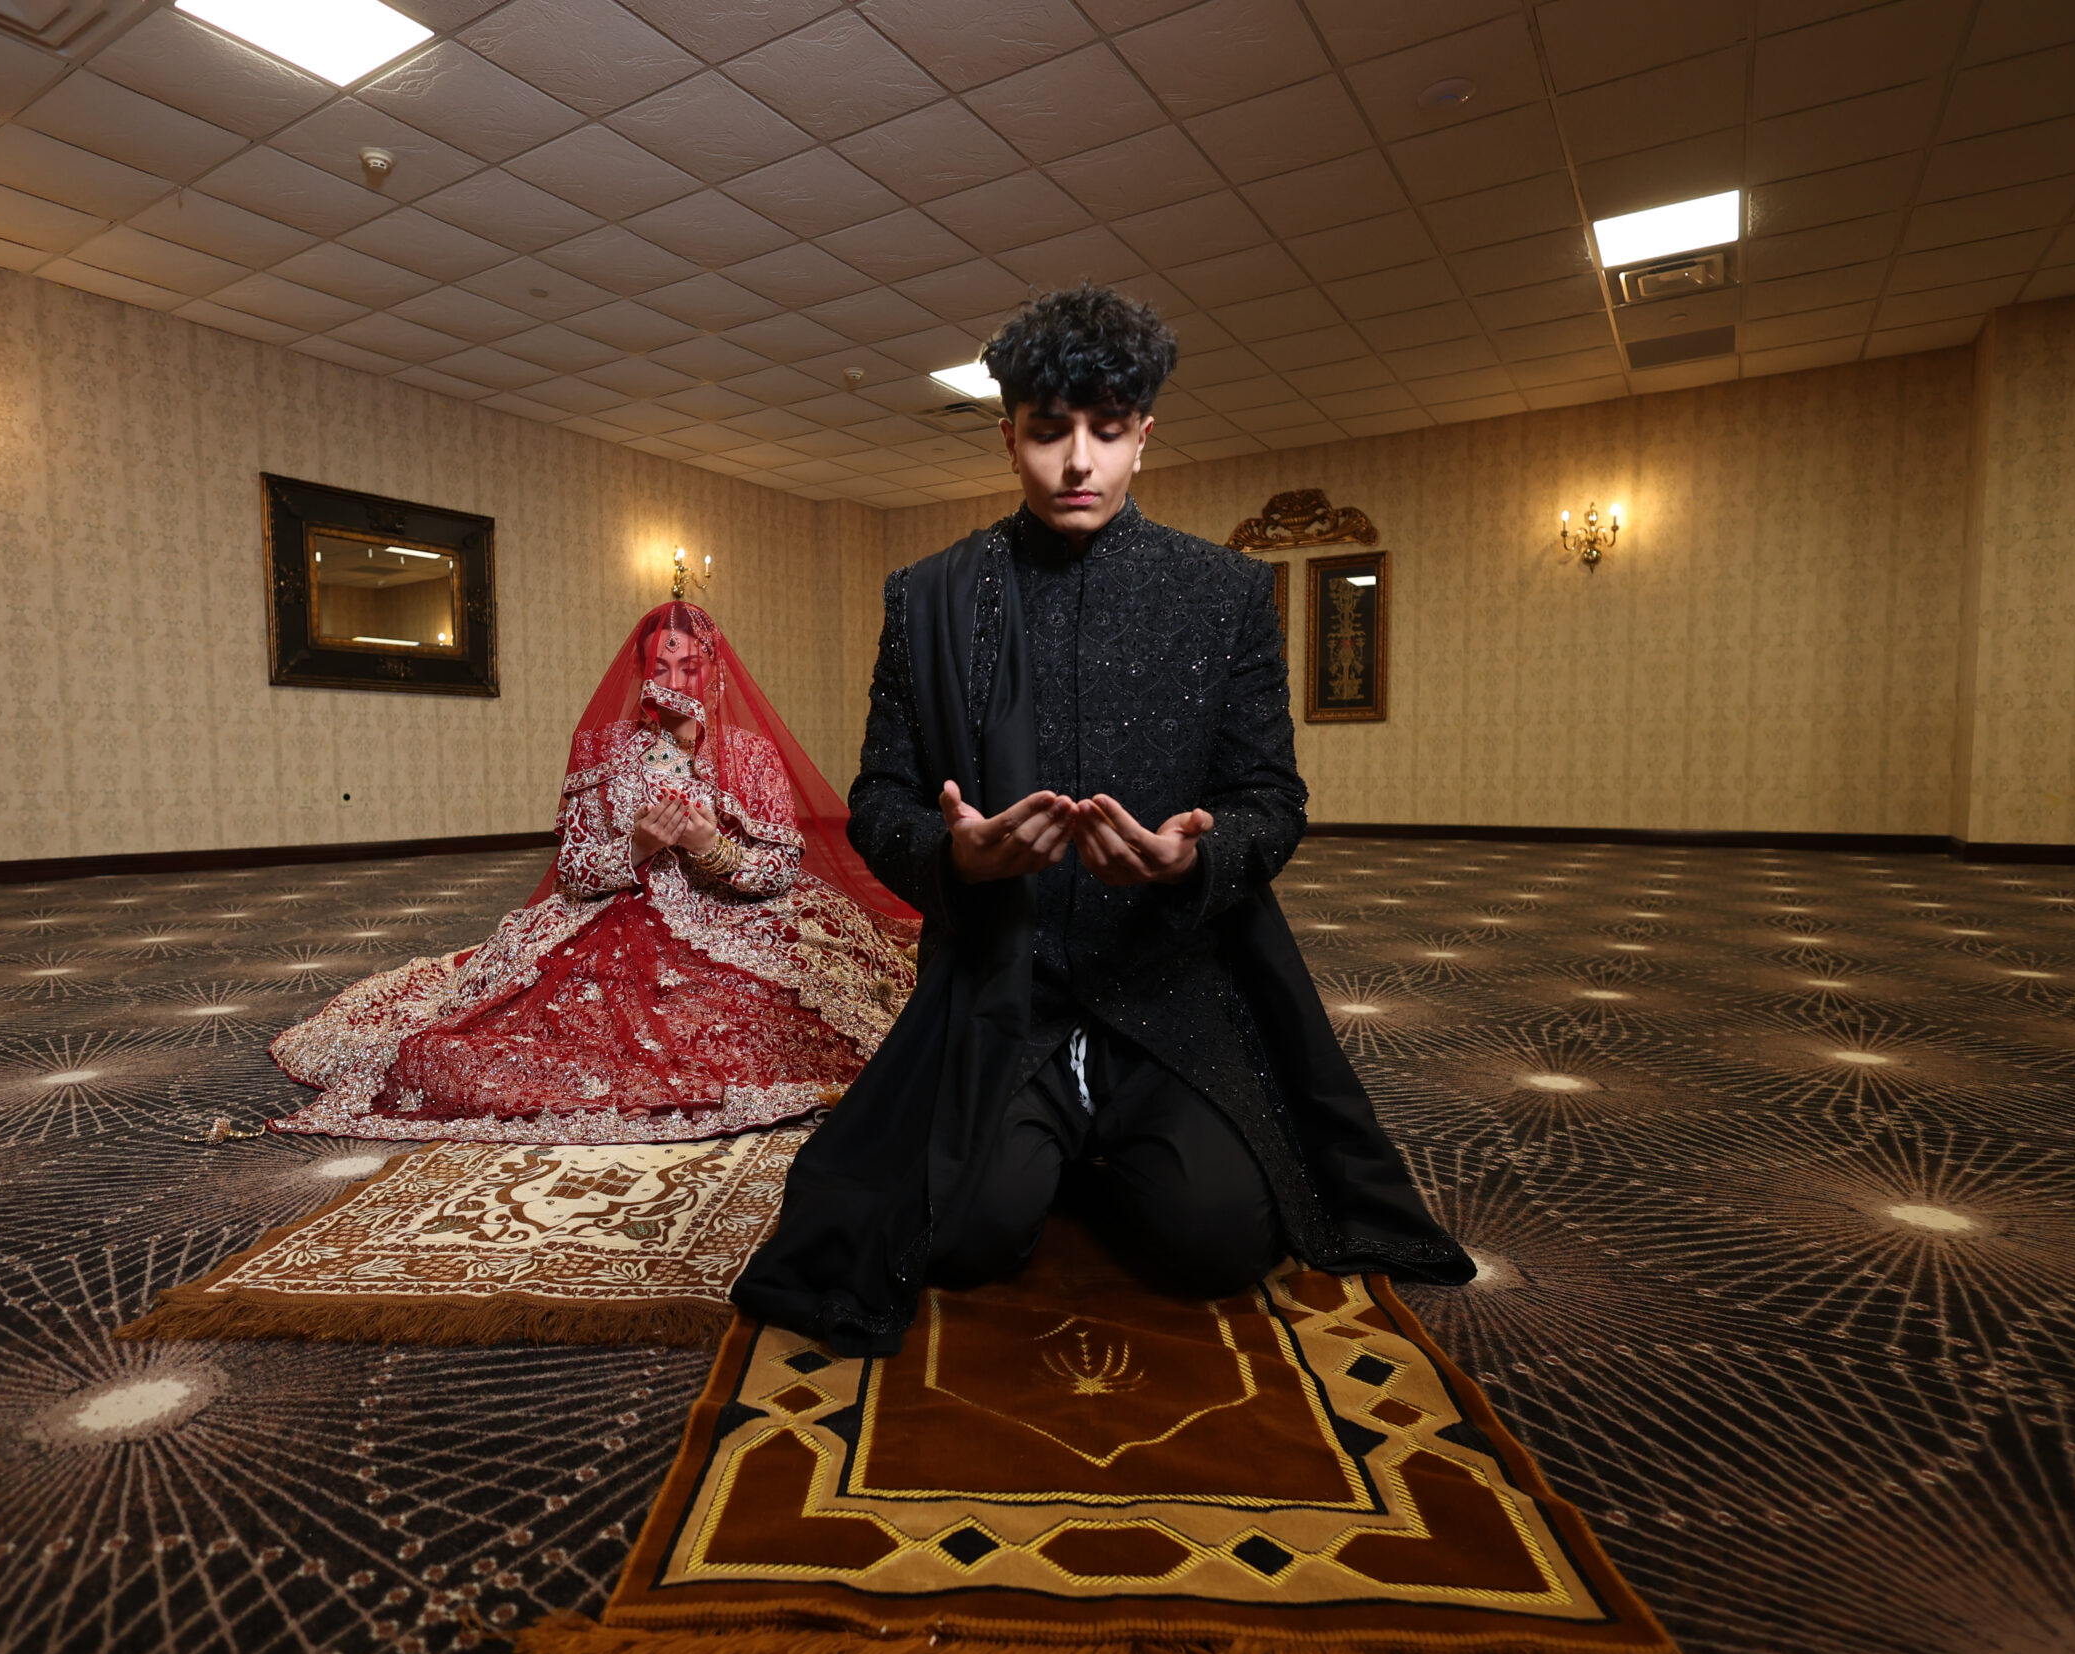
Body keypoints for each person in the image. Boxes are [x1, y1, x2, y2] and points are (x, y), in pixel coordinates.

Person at [733, 285, 1473, 1355]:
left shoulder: (1223, 595)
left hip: (1169, 988)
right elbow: (881, 800)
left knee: (1214, 1243)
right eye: (1048, 432)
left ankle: (1093, 1144)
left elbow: (1273, 800)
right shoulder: (928, 598)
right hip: (1005, 992)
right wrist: (955, 855)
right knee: (965, 1239)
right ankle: (1043, 1147)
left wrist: (1191, 860)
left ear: (1144, 434)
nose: (1077, 462)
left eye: (1108, 430)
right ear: (1008, 436)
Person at [269, 602, 918, 1146]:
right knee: (528, 1029)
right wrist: (638, 844)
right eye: (659, 667)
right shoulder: (603, 752)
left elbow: (778, 870)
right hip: (616, 916)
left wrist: (711, 847)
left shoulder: (750, 756)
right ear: (640, 674)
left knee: (789, 1014)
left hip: (737, 917)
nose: (674, 681)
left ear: (714, 674)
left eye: (688, 667)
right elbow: (575, 872)